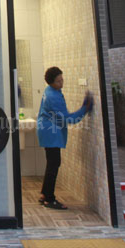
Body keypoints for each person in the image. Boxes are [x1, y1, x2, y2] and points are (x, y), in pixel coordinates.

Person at [36, 66, 93, 210]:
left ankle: (44, 194)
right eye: (58, 81)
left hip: (47, 129)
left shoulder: (50, 90)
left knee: (52, 163)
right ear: (51, 82)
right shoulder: (53, 96)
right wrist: (84, 108)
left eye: (62, 79)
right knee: (54, 164)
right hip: (51, 132)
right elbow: (69, 119)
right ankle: (49, 199)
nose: (61, 83)